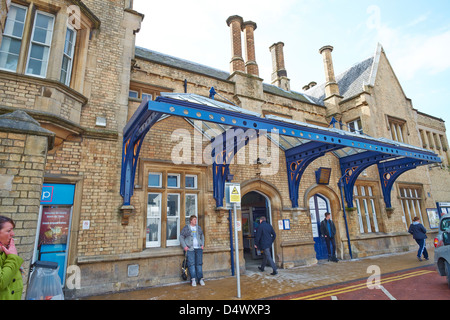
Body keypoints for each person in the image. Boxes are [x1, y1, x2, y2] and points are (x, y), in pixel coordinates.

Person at [0, 216, 23, 300]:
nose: (13, 234)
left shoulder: (5, 250)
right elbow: (1, 282)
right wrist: (13, 257)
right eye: (9, 231)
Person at [180, 215, 205, 286]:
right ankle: (193, 279)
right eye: (194, 219)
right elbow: (181, 237)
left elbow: (202, 236)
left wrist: (202, 244)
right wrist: (185, 246)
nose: (195, 221)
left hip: (199, 248)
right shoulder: (186, 228)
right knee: (191, 264)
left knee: (199, 264)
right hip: (190, 249)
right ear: (191, 220)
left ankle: (200, 279)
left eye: (196, 219)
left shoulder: (198, 228)